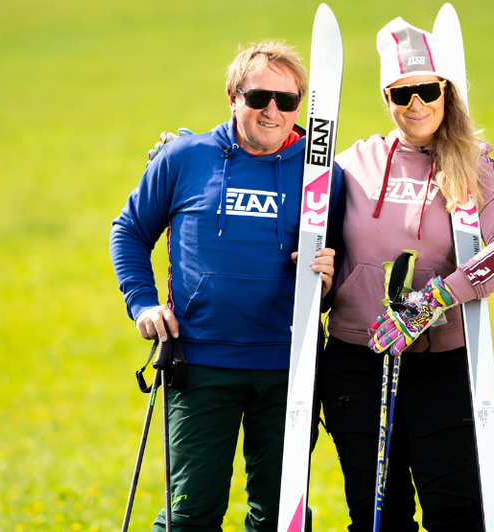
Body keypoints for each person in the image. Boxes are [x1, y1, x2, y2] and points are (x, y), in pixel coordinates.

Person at [110, 40, 343, 532]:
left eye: (287, 100)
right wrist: (143, 304)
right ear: (233, 97)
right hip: (199, 364)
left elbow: (345, 267)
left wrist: (327, 279)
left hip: (288, 368)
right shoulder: (183, 157)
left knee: (280, 518)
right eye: (259, 97)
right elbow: (129, 231)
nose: (272, 110)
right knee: (190, 514)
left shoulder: (323, 174)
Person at [316, 9, 494, 532]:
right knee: (376, 517)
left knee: (454, 510)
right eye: (400, 93)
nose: (415, 105)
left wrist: (432, 301)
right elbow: (296, 213)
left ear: (446, 91)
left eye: (427, 91)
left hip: (439, 364)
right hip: (356, 360)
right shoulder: (352, 163)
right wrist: (187, 154)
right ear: (386, 98)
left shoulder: (474, 165)